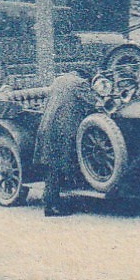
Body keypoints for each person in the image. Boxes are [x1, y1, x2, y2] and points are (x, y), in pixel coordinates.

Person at [36, 69, 95, 217]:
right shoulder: (80, 84)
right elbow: (95, 103)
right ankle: (51, 207)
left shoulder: (59, 80)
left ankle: (54, 202)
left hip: (48, 125)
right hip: (64, 130)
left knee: (52, 167)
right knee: (58, 166)